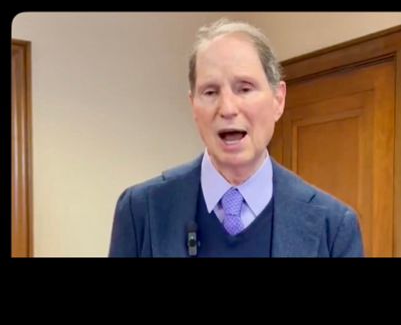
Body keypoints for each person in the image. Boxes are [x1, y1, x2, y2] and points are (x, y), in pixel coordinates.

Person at [109, 19, 364, 257]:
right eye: (210, 91)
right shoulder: (141, 210)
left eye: (244, 88)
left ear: (278, 99)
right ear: (193, 105)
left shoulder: (333, 227)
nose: (228, 108)